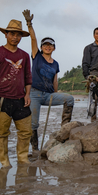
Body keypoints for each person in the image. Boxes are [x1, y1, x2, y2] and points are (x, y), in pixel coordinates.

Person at [22, 10, 75, 151]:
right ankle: (34, 149)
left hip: (48, 95)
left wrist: (55, 94)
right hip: (34, 94)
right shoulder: (37, 56)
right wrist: (29, 24)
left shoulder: (55, 63)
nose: (47, 46)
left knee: (69, 99)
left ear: (54, 48)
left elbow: (55, 81)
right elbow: (33, 39)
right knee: (33, 124)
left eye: (50, 45)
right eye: (45, 44)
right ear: (41, 47)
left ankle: (64, 131)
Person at [0, 19, 33, 168]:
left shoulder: (25, 55)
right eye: (12, 34)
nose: (15, 37)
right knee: (2, 133)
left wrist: (27, 94)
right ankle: (5, 163)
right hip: (2, 100)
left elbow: (28, 77)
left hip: (21, 99)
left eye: (18, 35)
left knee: (26, 132)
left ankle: (23, 159)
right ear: (6, 34)